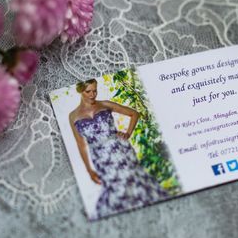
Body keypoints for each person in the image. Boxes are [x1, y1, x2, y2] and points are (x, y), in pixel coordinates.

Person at [69, 78, 169, 218]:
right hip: (100, 157)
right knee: (114, 186)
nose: (92, 94)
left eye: (95, 90)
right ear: (80, 91)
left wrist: (127, 133)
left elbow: (134, 114)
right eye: (88, 91)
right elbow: (80, 144)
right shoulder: (73, 116)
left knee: (132, 178)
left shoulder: (105, 104)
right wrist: (89, 170)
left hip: (120, 150)